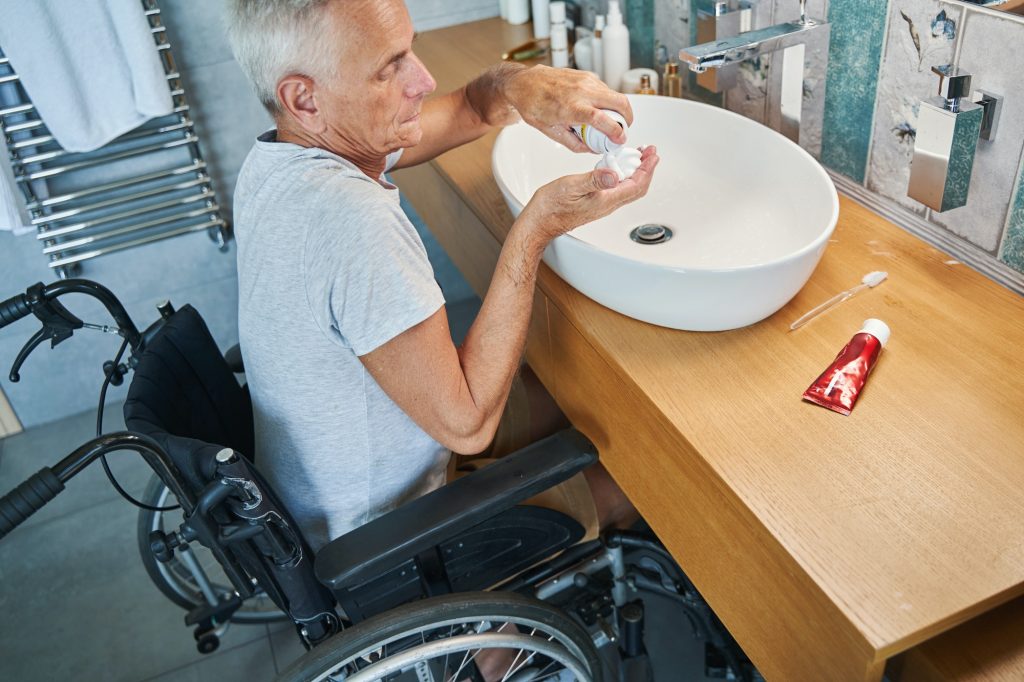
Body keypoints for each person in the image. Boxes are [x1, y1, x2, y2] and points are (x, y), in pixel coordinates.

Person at [226, 0, 660, 553]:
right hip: (388, 535)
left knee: (591, 397)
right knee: (643, 471)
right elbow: (469, 425)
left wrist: (517, 84)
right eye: (390, 68)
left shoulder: (282, 157)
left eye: (410, 50)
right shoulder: (349, 220)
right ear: (303, 98)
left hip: (358, 474)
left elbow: (468, 110)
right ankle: (491, 639)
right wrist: (533, 232)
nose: (424, 80)